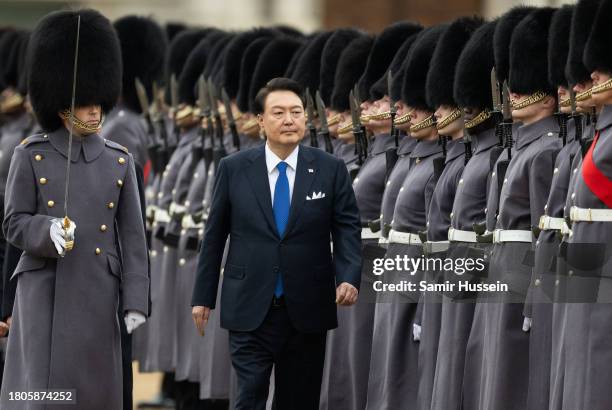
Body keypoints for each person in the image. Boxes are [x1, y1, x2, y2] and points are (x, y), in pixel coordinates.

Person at [0, 9, 149, 410]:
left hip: (98, 292)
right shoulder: (29, 155)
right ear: (63, 104)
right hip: (44, 289)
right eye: (85, 105)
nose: (96, 112)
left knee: (92, 396)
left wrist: (135, 302)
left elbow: (134, 239)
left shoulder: (119, 160)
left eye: (99, 103)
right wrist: (45, 231)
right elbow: (13, 223)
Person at [191, 77, 361, 410]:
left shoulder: (330, 169)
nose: (289, 120)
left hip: (307, 307)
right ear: (260, 120)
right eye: (279, 112)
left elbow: (347, 228)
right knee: (250, 395)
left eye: (296, 112)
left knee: (298, 400)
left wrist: (348, 276)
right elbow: (214, 236)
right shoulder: (234, 169)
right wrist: (203, 297)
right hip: (249, 304)